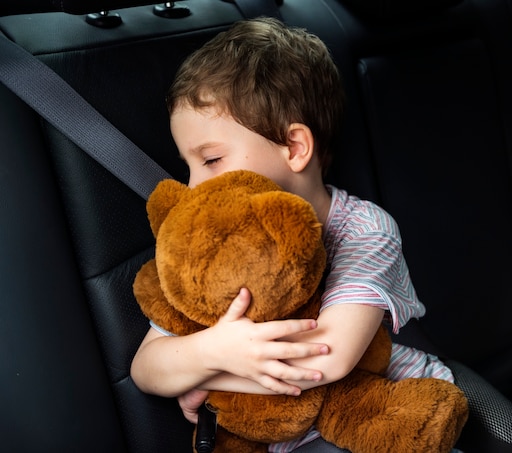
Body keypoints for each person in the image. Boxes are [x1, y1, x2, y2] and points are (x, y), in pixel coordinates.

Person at [130, 17, 455, 452]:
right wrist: (213, 350)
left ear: (294, 147)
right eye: (188, 167)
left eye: (210, 160)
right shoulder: (209, 245)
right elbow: (146, 368)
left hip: (380, 417)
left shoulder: (364, 230)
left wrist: (210, 378)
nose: (192, 188)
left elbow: (329, 358)